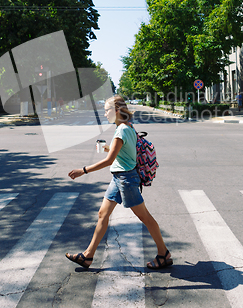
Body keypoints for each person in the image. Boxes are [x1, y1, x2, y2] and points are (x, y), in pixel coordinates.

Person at [66, 95, 172, 270]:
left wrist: (82, 171)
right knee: (102, 214)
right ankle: (88, 256)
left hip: (126, 179)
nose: (105, 114)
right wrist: (109, 148)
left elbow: (108, 161)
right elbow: (126, 152)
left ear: (116, 111)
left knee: (145, 217)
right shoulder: (127, 127)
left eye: (107, 110)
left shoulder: (121, 130)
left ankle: (164, 254)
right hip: (119, 178)